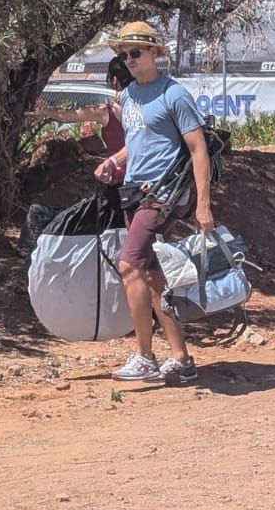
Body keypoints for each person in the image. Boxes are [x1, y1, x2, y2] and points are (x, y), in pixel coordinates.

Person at [94, 21, 215, 386]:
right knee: (149, 273)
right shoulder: (128, 96)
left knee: (129, 263)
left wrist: (203, 204)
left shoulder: (174, 95)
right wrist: (115, 161)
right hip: (134, 191)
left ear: (154, 54)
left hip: (163, 194)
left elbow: (198, 150)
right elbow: (139, 141)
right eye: (124, 54)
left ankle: (145, 356)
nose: (129, 59)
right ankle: (181, 357)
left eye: (136, 52)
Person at [27, 54, 135, 180]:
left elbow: (70, 115)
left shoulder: (106, 111)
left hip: (118, 175)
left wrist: (46, 112)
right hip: (148, 176)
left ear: (114, 80)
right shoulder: (148, 107)